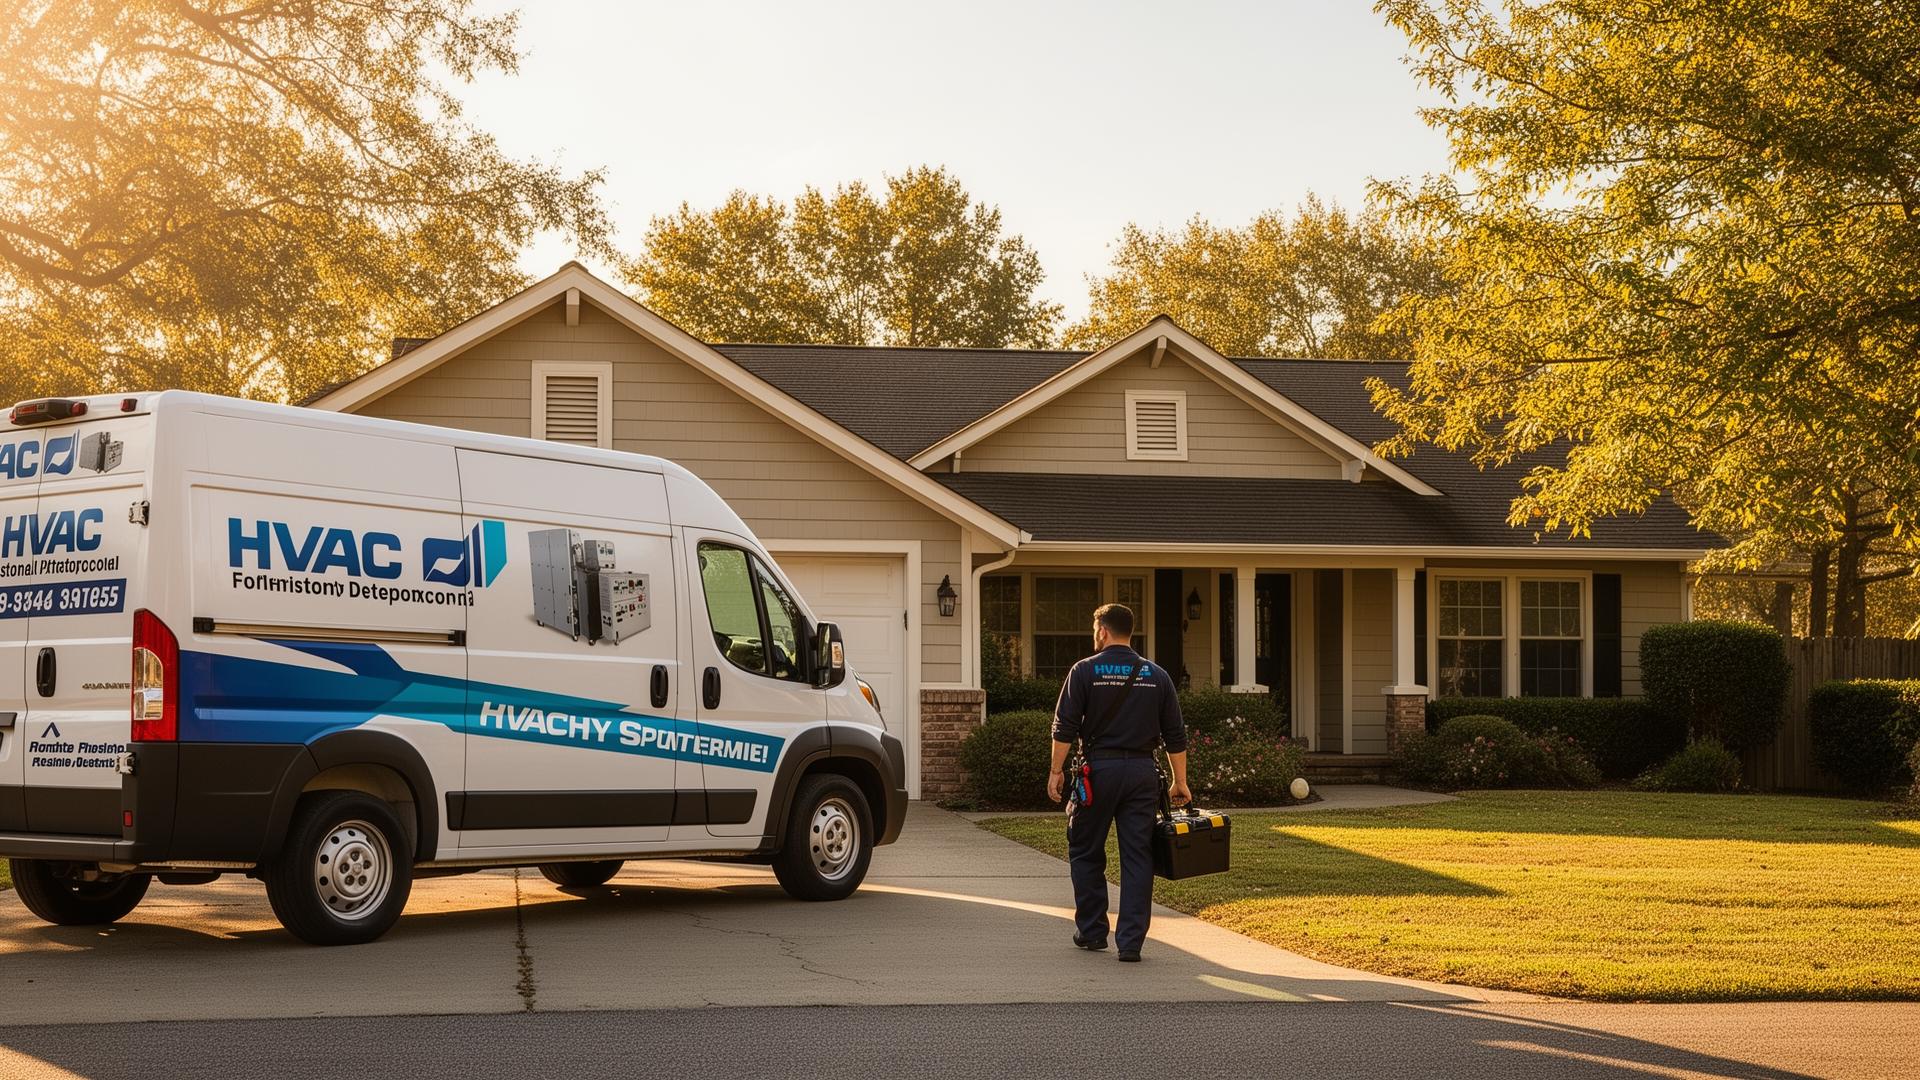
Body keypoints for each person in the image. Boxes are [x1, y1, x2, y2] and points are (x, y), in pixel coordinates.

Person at [1046, 602, 1189, 962]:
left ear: (1103, 631)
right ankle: (1130, 944)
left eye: (1096, 630)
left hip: (1098, 774)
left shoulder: (1084, 671)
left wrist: (1056, 771)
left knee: (1085, 848)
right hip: (1142, 774)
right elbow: (1175, 734)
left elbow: (1064, 727)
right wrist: (1180, 781)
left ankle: (1093, 931)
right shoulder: (1157, 675)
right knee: (1138, 856)